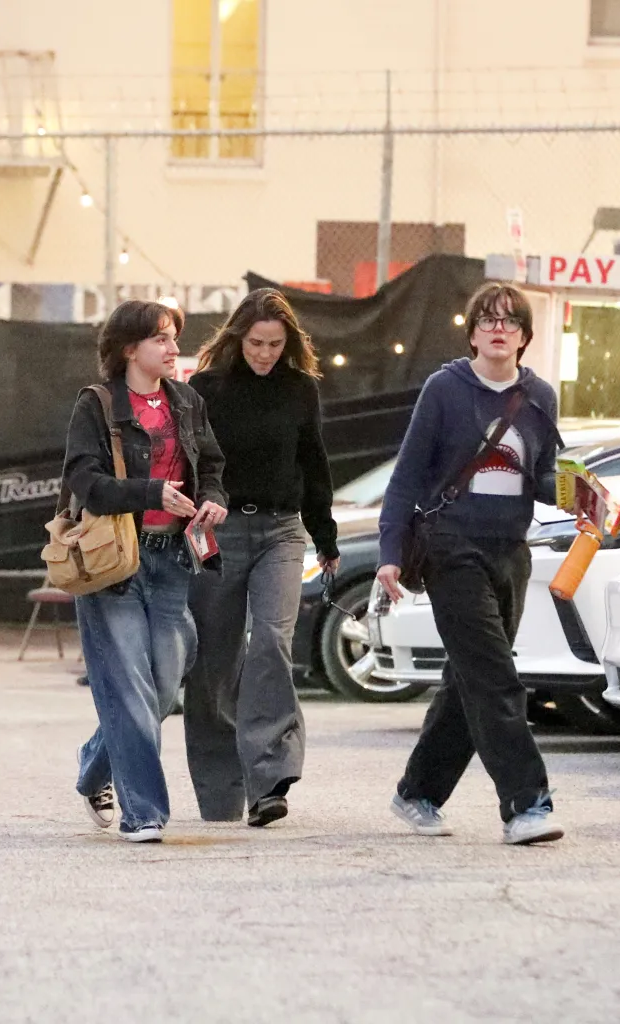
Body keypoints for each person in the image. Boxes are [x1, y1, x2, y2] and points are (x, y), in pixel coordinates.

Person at [377, 282, 565, 846]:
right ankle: (527, 803)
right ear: (473, 332)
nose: (498, 328)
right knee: (494, 675)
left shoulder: (540, 397)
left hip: (511, 552)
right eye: (487, 319)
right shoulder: (445, 388)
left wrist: (581, 496)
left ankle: (418, 792)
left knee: (470, 679)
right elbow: (407, 474)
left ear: (526, 336)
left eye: (510, 321)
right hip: (450, 546)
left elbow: (546, 476)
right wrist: (389, 553)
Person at [67, 300, 228, 843]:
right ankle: (144, 814)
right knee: (131, 688)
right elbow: (84, 482)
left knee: (162, 684)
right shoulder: (98, 404)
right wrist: (150, 491)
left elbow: (211, 464)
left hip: (173, 558)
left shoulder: (186, 401)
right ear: (129, 347)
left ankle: (95, 765)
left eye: (173, 337)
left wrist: (212, 500)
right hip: (116, 559)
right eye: (161, 338)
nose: (173, 347)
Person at [184, 288, 339, 827]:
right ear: (236, 338)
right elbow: (187, 462)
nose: (266, 353)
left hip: (281, 529)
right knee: (214, 662)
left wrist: (326, 535)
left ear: (289, 342)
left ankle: (269, 780)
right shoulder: (204, 389)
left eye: (276, 344)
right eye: (256, 342)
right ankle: (221, 792)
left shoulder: (301, 390)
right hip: (219, 532)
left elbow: (313, 462)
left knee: (272, 639)